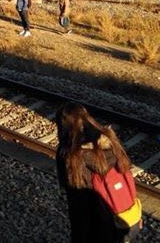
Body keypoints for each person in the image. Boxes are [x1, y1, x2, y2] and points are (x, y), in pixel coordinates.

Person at [56, 102, 138, 242]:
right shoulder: (110, 140)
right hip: (125, 217)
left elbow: (80, 204)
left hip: (99, 224)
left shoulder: (72, 155)